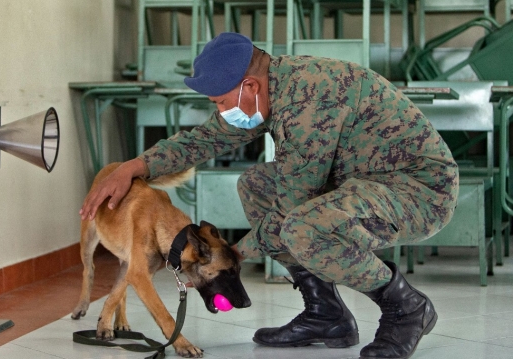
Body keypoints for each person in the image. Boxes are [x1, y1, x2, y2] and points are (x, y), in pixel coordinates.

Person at [80, 32, 459, 359]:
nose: (222, 113)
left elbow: (291, 208)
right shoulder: (270, 90)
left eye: (222, 103)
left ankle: (406, 308)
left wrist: (231, 257)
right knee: (256, 186)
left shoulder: (309, 100)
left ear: (250, 87)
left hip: (418, 192)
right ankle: (325, 314)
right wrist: (135, 166)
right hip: (361, 182)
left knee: (302, 228)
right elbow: (204, 139)